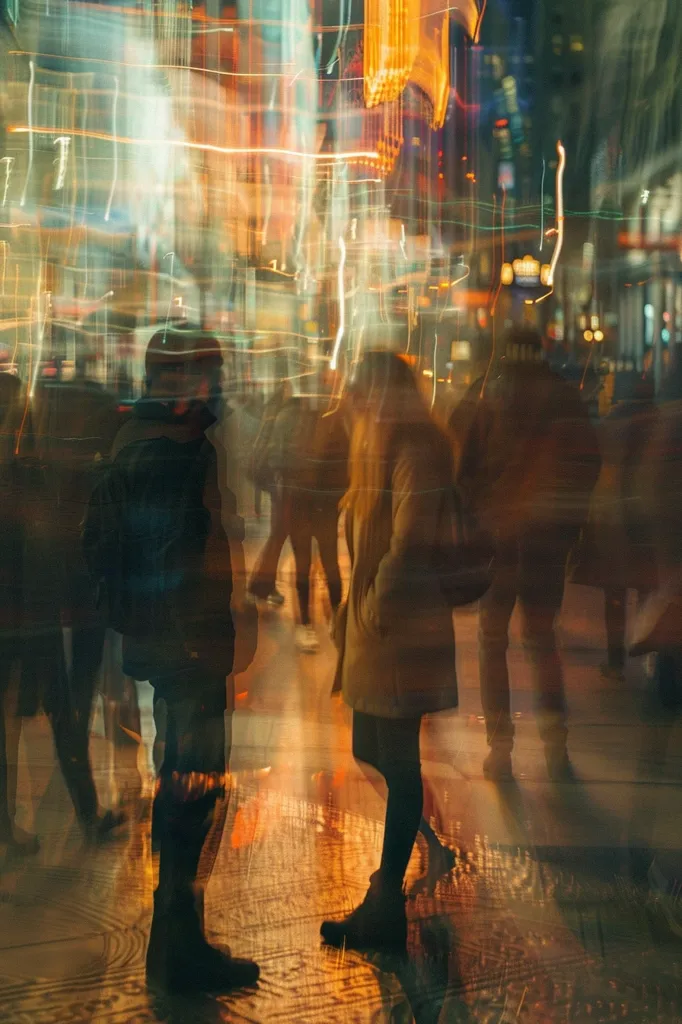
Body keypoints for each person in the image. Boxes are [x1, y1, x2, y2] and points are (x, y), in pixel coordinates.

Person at [83, 324, 259, 993]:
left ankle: (178, 938)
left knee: (184, 783)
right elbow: (183, 559)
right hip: (188, 647)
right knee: (193, 784)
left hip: (170, 644)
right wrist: (204, 637)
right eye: (209, 372)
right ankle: (176, 949)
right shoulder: (171, 452)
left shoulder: (141, 440)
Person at [320, 350, 458, 951]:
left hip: (401, 634)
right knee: (367, 747)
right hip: (376, 633)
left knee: (398, 761)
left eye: (367, 398)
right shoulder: (379, 452)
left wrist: (370, 609)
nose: (360, 410)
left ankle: (385, 903)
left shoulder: (414, 453)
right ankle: (424, 847)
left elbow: (409, 546)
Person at [452, 325, 600, 781]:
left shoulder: (483, 395)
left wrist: (473, 519)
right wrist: (568, 527)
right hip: (544, 544)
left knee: (491, 640)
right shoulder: (562, 397)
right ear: (541, 351)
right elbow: (587, 464)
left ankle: (500, 748)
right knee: (541, 640)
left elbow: (457, 467)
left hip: (497, 543)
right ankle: (556, 748)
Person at [247, 380, 293, 606]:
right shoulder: (283, 415)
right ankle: (262, 585)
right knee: (278, 536)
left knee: (278, 536)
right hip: (283, 484)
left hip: (278, 483)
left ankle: (263, 585)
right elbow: (277, 453)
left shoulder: (272, 411)